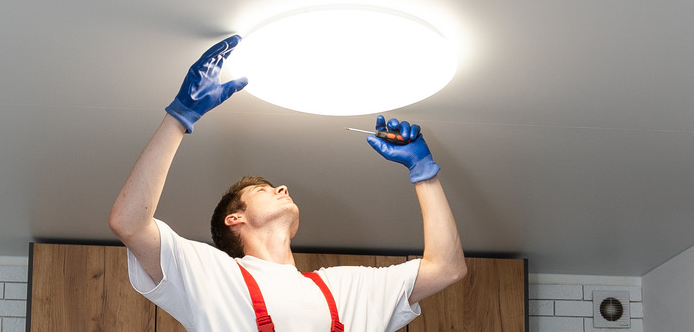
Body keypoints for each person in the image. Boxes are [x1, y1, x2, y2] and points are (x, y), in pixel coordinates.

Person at [109, 35, 467, 332]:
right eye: (264, 190)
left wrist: (424, 171)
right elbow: (128, 222)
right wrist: (179, 117)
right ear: (234, 219)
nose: (282, 188)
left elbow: (447, 268)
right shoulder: (211, 276)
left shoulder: (346, 289)